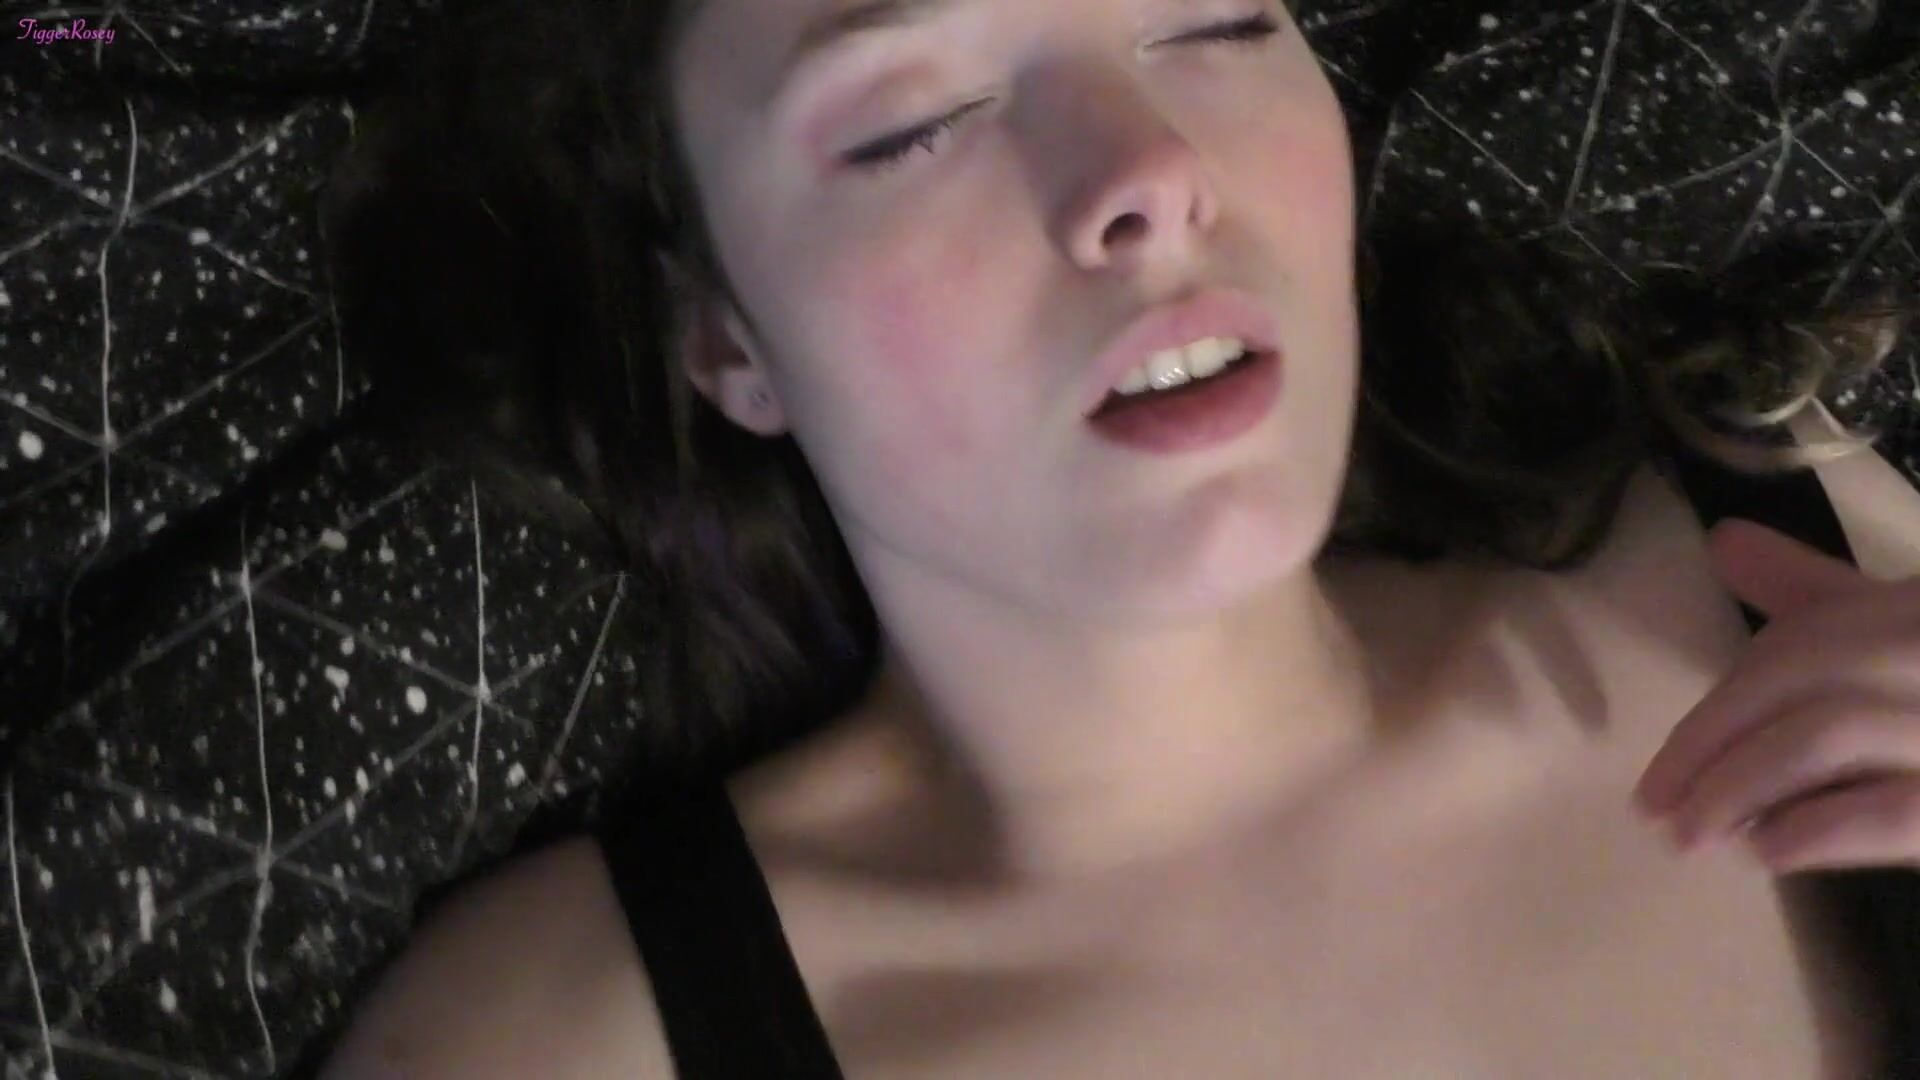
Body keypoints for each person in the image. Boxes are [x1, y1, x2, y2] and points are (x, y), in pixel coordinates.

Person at [313, 0, 1920, 1075]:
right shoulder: (574, 1037)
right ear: (722, 336)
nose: (1148, 169)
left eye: (1216, 20)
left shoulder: (1779, 541)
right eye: (911, 120)